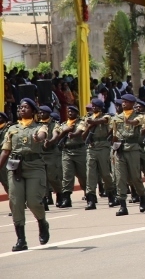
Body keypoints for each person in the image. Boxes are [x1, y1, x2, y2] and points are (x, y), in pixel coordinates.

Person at [0, 98, 50, 251]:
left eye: (26, 107)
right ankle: (21, 240)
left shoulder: (40, 127)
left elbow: (42, 135)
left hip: (34, 166)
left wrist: (37, 138)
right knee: (16, 202)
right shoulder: (12, 129)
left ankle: (42, 222)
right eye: (20, 107)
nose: (22, 109)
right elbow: (6, 151)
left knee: (34, 201)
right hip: (15, 167)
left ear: (34, 111)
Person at [111, 94, 145, 216]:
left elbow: (136, 122)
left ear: (132, 104)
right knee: (120, 178)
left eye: (126, 102)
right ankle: (123, 205)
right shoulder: (117, 117)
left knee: (135, 177)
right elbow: (114, 134)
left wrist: (129, 121)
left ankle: (142, 196)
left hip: (132, 149)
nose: (123, 103)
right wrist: (114, 148)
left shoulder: (139, 116)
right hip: (120, 150)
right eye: (123, 101)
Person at [83, 99, 117, 209]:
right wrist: (89, 126)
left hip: (103, 147)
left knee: (105, 173)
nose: (93, 108)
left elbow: (104, 120)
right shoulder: (87, 119)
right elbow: (83, 136)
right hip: (92, 148)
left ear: (100, 107)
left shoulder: (107, 116)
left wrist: (93, 122)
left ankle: (111, 195)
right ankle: (91, 199)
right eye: (92, 106)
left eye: (95, 106)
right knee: (90, 174)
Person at [55, 106, 87, 208]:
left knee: (83, 175)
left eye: (72, 111)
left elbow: (79, 131)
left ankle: (89, 193)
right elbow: (57, 137)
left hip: (79, 151)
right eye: (68, 111)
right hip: (67, 151)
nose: (70, 113)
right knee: (67, 175)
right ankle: (67, 199)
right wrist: (65, 131)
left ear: (77, 113)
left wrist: (73, 134)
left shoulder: (80, 122)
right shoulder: (63, 125)